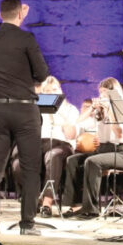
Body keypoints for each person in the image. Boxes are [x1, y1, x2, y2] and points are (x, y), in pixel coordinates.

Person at [0, 0, 49, 235]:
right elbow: (42, 74)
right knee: (30, 169)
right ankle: (27, 224)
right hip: (25, 111)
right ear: (21, 13)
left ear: (0, 14)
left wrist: (18, 16)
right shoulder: (26, 38)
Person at [63, 77, 123, 219]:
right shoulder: (100, 110)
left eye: (105, 93)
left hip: (122, 151)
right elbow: (78, 121)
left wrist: (110, 110)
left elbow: (119, 133)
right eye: (100, 93)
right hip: (103, 150)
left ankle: (91, 209)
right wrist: (92, 108)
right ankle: (76, 204)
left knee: (92, 162)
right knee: (72, 160)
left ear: (114, 93)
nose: (102, 96)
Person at [11, 76, 78, 217]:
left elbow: (71, 135)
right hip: (38, 143)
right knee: (18, 162)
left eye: (54, 89)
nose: (51, 93)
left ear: (60, 91)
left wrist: (60, 113)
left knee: (53, 157)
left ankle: (47, 203)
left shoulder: (70, 109)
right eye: (47, 91)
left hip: (61, 144)